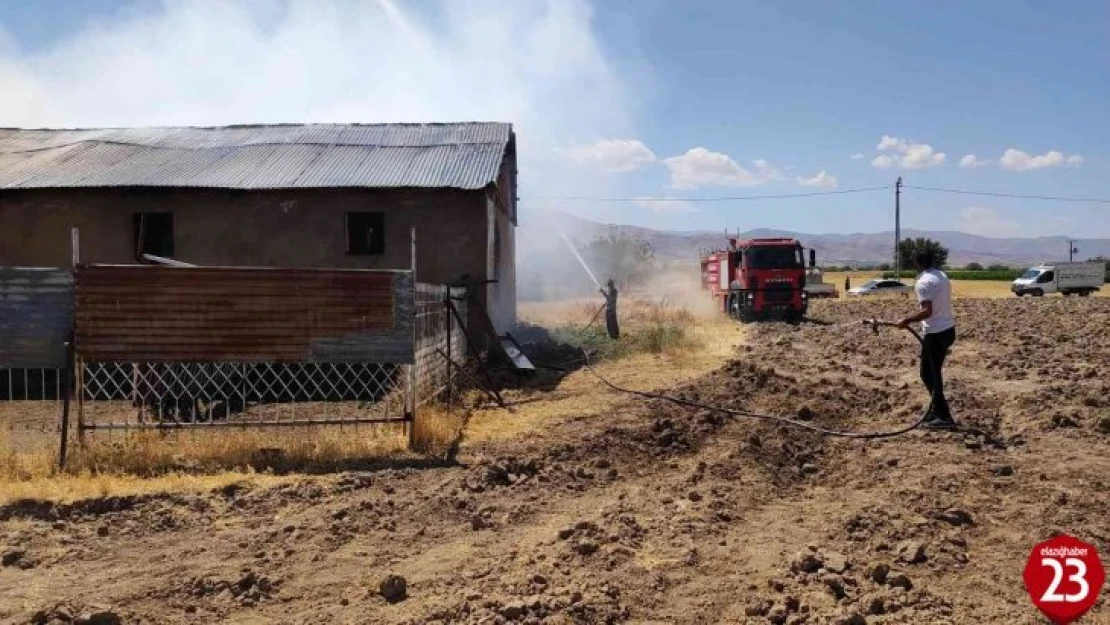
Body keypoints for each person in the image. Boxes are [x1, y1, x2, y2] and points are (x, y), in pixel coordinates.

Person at [897, 248, 956, 429]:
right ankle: (936, 410)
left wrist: (906, 320)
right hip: (948, 330)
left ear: (917, 263)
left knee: (930, 375)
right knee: (930, 373)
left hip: (935, 333)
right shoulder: (941, 276)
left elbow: (927, 311)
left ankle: (943, 416)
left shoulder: (923, 282)